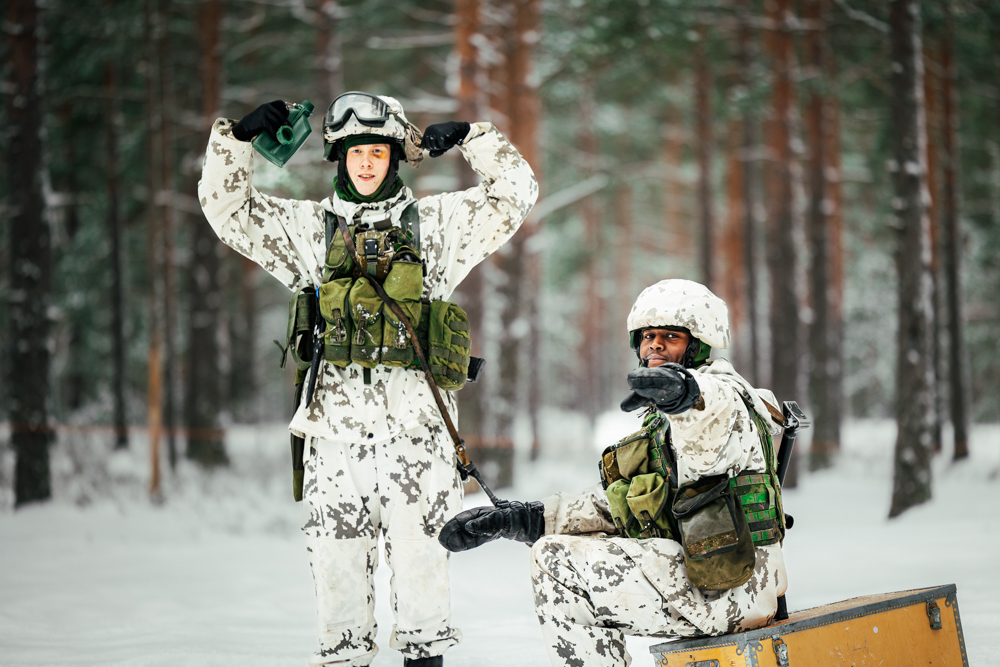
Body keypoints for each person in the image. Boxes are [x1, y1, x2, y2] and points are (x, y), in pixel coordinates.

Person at [198, 93, 537, 667]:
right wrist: (235, 142)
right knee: (338, 595)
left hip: (417, 441)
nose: (365, 163)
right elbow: (227, 212)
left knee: (423, 590)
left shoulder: (436, 226)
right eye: (355, 152)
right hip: (334, 442)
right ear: (338, 157)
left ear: (394, 158)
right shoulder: (309, 232)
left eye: (377, 151)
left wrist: (474, 138)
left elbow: (515, 194)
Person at [439, 279, 788, 667]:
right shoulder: (663, 424)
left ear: (699, 345)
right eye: (648, 336)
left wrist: (685, 393)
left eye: (671, 337)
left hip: (733, 589)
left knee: (557, 561)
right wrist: (528, 517)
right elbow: (624, 505)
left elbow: (710, 414)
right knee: (553, 546)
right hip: (707, 575)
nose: (655, 345)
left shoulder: (724, 399)